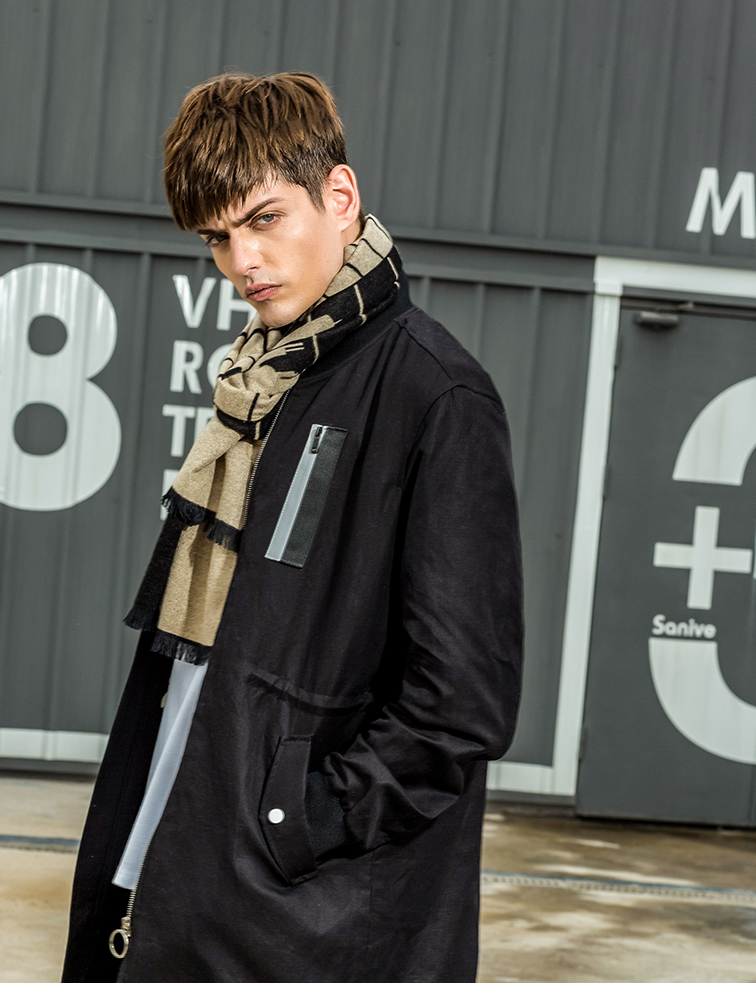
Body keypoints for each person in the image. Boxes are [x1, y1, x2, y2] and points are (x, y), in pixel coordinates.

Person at [61, 71, 523, 983]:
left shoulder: (437, 395)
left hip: (300, 912)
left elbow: (461, 700)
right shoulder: (264, 384)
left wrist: (300, 817)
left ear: (339, 197)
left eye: (264, 219)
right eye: (217, 237)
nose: (243, 262)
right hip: (183, 858)